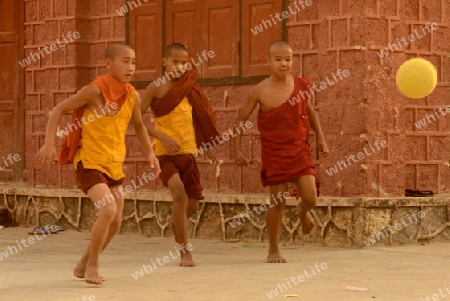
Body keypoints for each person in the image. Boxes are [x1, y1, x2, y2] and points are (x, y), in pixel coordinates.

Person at [35, 43, 160, 284]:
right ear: (108, 64)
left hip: (114, 164)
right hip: (89, 162)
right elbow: (58, 110)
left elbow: (139, 126)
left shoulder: (132, 95)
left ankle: (82, 263)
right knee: (108, 209)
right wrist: (49, 143)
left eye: (134, 62)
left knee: (115, 222)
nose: (130, 67)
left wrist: (150, 154)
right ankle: (93, 265)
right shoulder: (93, 91)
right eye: (124, 61)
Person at [233, 41, 329, 263]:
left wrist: (321, 138)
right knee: (277, 201)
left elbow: (311, 112)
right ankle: (273, 249)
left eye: (288, 59)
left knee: (310, 198)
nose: (283, 63)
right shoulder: (260, 90)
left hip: (299, 149)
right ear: (269, 62)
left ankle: (303, 212)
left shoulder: (302, 85)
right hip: (274, 152)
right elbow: (240, 120)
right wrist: (237, 148)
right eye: (278, 59)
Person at [141, 43, 220, 267]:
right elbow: (136, 120)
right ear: (164, 62)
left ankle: (176, 222)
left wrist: (209, 148)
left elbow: (200, 121)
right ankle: (185, 252)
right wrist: (162, 137)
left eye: (184, 63)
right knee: (179, 194)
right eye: (174, 62)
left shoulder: (189, 87)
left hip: (188, 153)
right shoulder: (155, 88)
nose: (179, 67)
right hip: (165, 154)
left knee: (192, 206)